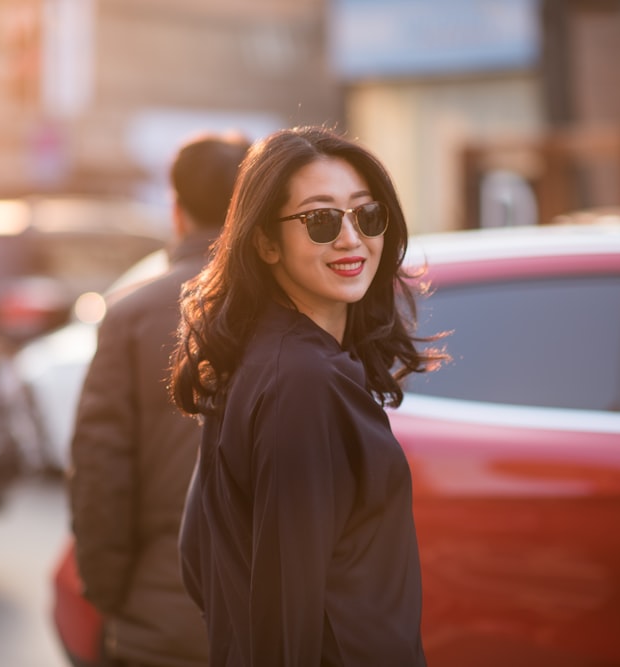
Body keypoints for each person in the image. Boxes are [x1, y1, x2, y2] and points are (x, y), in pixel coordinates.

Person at [169, 125, 446, 666]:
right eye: (320, 220)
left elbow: (196, 553)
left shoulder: (268, 356)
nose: (351, 239)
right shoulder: (303, 381)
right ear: (265, 242)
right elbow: (283, 600)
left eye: (367, 215)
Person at [68, 131, 251, 667]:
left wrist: (110, 597)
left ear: (176, 210)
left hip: (160, 621)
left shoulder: (131, 315)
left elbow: (100, 472)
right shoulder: (299, 310)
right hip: (274, 621)